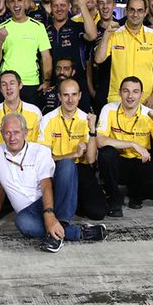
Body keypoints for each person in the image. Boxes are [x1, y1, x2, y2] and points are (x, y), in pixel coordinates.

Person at [0, 113, 107, 253]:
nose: (12, 137)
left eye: (16, 132)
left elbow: (46, 186)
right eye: (7, 133)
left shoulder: (40, 151)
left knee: (67, 165)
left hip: (50, 201)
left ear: (25, 133)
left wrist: (49, 215)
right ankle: (75, 232)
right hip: (28, 213)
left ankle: (60, 224)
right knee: (22, 223)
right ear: (1, 134)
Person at [95, 76, 153, 216]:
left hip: (139, 162)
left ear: (141, 94)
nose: (130, 96)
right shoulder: (109, 109)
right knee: (106, 154)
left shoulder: (149, 114)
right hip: (118, 161)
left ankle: (136, 193)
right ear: (120, 92)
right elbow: (100, 140)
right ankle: (114, 196)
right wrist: (132, 144)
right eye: (126, 91)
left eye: (135, 91)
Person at [37, 78, 105, 220]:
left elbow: (91, 159)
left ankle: (76, 202)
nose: (70, 99)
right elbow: (44, 159)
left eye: (74, 94)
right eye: (66, 95)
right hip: (57, 169)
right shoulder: (47, 119)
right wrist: (74, 154)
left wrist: (92, 131)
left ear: (80, 96)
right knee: (67, 165)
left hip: (82, 168)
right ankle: (64, 219)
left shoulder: (87, 119)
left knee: (97, 212)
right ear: (59, 97)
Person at [95, 0, 153, 107]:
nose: (135, 14)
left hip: (145, 99)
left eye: (140, 11)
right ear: (126, 11)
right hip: (117, 98)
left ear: (145, 12)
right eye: (132, 10)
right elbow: (99, 59)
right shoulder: (114, 33)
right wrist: (106, 35)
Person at [0, 71, 42, 147]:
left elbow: (39, 145)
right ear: (1, 89)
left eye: (12, 83)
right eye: (4, 84)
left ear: (20, 85)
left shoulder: (34, 112)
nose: (8, 88)